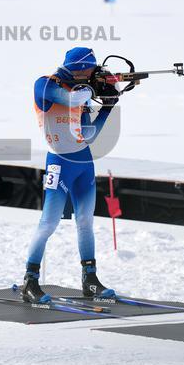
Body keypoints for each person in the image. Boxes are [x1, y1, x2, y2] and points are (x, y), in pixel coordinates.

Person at [22, 47, 121, 304]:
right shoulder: (45, 85)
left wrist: (108, 106)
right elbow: (73, 99)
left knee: (85, 222)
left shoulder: (79, 91)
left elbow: (88, 135)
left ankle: (90, 280)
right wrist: (92, 89)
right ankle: (29, 281)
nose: (92, 73)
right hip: (59, 162)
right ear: (79, 67)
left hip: (83, 161)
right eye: (90, 68)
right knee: (49, 223)